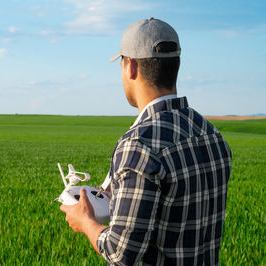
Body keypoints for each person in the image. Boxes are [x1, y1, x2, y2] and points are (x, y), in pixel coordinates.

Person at [60, 17, 232, 265]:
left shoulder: (139, 146)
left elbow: (120, 253)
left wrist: (86, 222)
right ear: (176, 65)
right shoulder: (210, 133)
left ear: (131, 67)